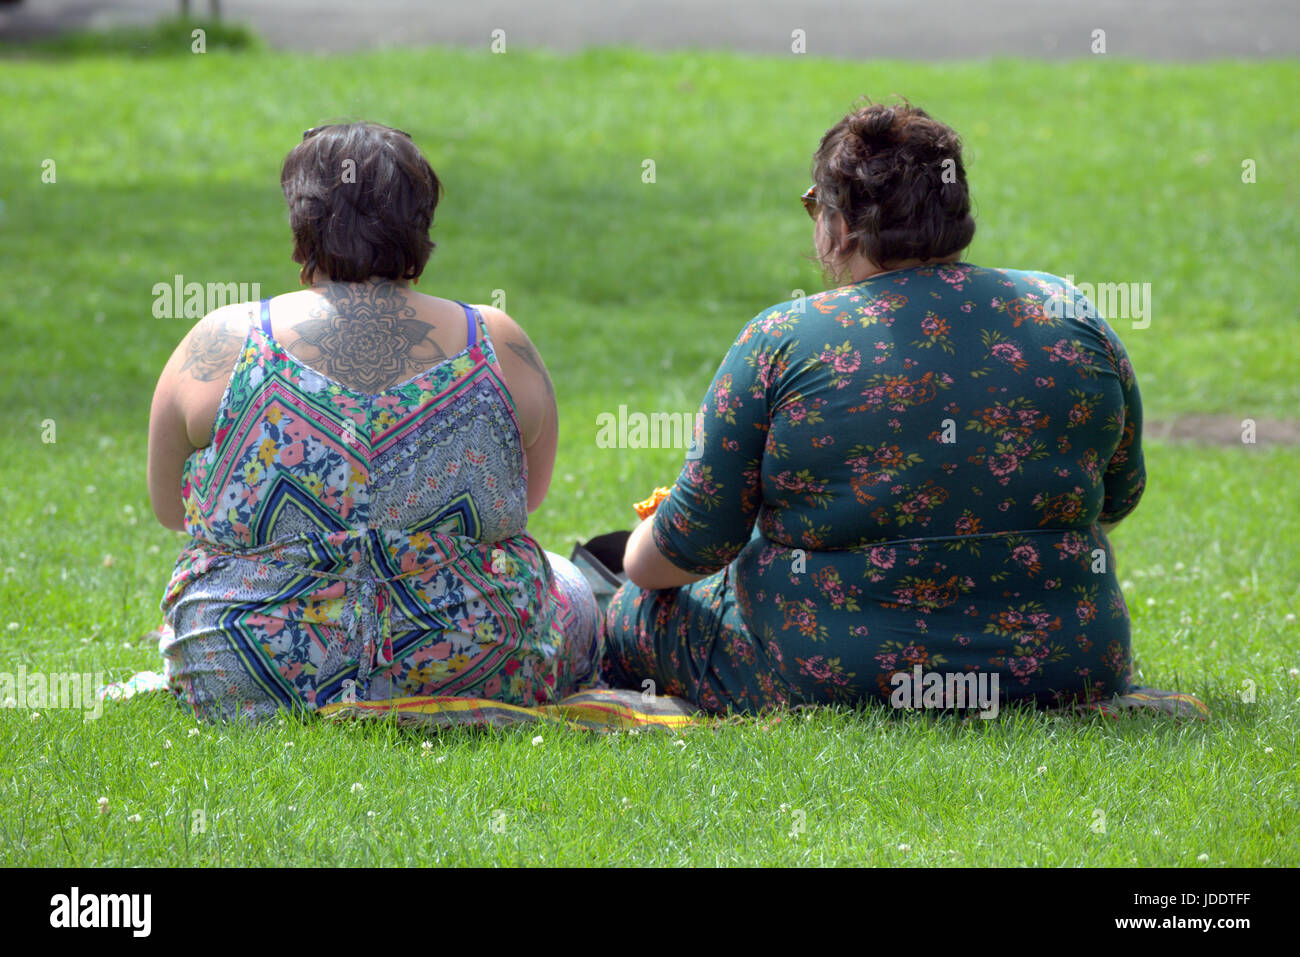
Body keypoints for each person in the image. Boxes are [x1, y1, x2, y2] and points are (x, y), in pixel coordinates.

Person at [602, 100, 1145, 715]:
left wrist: (634, 553)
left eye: (815, 205)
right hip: (1068, 664)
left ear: (841, 225)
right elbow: (1119, 494)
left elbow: (690, 544)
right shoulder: (1068, 310)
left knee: (639, 609)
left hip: (837, 674)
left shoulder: (782, 340)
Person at [146, 121, 599, 722]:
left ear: (301, 226)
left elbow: (170, 510)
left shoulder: (224, 339)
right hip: (474, 659)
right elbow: (530, 497)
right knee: (571, 582)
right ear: (420, 223)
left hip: (242, 665)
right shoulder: (497, 338)